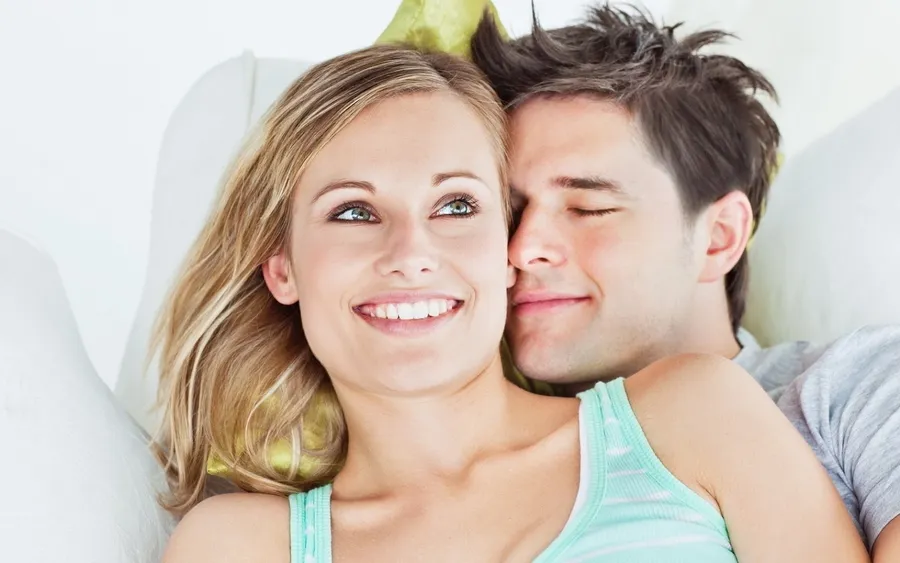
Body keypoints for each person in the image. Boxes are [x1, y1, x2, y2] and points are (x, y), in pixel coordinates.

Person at [155, 44, 866, 562]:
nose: (411, 252)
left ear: (506, 252)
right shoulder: (241, 545)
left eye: (456, 205)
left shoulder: (697, 415)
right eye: (352, 212)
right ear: (281, 267)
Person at [470, 4, 900, 560]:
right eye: (508, 213)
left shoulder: (857, 389)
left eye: (588, 208)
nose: (521, 249)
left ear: (718, 237)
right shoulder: (471, 461)